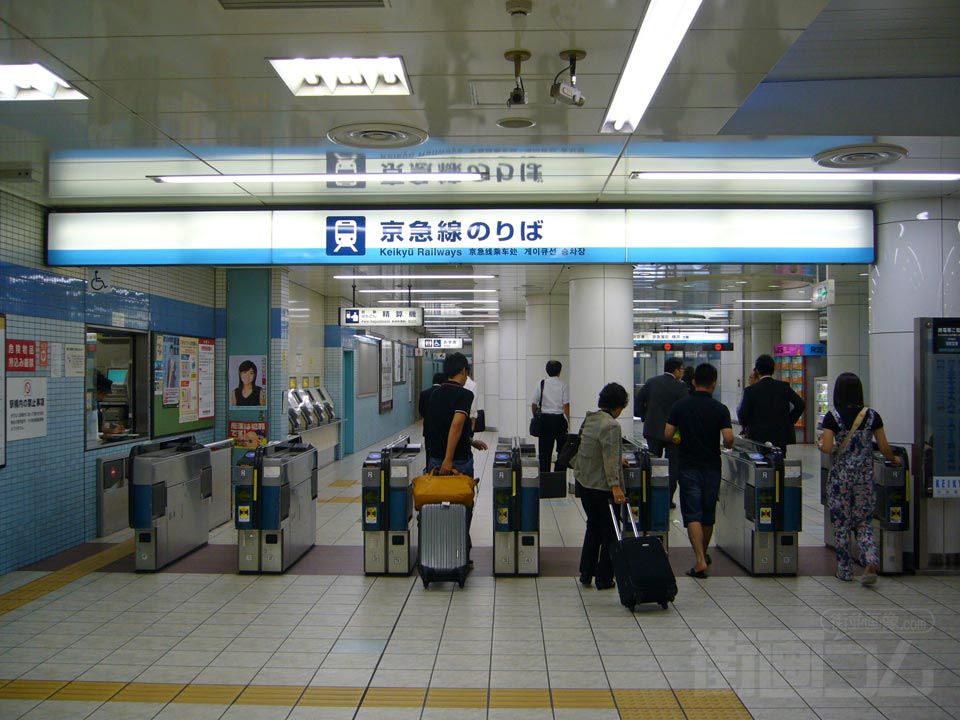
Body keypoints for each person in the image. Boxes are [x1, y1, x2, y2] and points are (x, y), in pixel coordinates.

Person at [819, 372, 901, 584]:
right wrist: (894, 460)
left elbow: (827, 448)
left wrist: (820, 444)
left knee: (841, 524)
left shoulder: (832, 417)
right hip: (864, 478)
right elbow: (883, 447)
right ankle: (870, 561)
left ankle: (845, 571)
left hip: (840, 479)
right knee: (863, 522)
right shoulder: (872, 416)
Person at [664, 363, 735, 579]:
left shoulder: (681, 406)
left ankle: (700, 560)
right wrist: (725, 445)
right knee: (707, 513)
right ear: (714, 383)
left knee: (692, 513)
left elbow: (668, 434)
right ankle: (704, 553)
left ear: (693, 382)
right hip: (712, 465)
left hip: (688, 465)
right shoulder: (720, 409)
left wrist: (679, 438)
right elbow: (729, 438)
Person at [425, 353, 489, 562]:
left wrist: (470, 441)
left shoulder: (435, 394)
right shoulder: (464, 395)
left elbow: (439, 428)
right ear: (462, 371)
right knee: (463, 505)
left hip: (435, 459)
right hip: (457, 461)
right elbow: (456, 425)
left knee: (439, 506)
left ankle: (439, 550)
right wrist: (449, 459)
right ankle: (461, 551)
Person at [574, 382, 628, 590]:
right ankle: (605, 577)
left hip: (585, 482)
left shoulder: (591, 418)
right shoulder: (612, 425)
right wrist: (616, 487)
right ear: (618, 405)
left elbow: (600, 450)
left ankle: (586, 572)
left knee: (594, 526)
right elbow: (608, 457)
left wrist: (618, 458)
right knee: (611, 532)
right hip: (602, 488)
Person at [636, 356, 687, 508]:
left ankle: (650, 495)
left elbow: (638, 401)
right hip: (673, 434)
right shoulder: (680, 387)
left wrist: (644, 416)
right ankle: (668, 498)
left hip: (652, 431)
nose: (682, 373)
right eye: (682, 369)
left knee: (652, 463)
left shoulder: (651, 382)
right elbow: (685, 409)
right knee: (673, 467)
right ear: (677, 370)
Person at [737, 353, 804, 456]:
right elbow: (800, 404)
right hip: (780, 435)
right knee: (778, 462)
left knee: (760, 465)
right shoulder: (783, 387)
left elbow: (743, 413)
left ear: (757, 371)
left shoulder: (750, 391)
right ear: (773, 370)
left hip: (757, 436)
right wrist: (789, 420)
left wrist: (746, 426)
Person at [530, 360, 571, 472]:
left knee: (544, 453)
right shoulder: (564, 385)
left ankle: (545, 480)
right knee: (562, 452)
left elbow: (534, 403)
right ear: (559, 371)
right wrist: (570, 421)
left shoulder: (541, 383)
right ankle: (558, 476)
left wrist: (536, 415)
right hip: (559, 421)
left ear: (547, 371)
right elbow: (566, 405)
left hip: (545, 421)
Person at [419, 372, 446, 457]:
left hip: (428, 428)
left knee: (429, 452)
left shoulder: (424, 394)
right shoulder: (444, 394)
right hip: (442, 430)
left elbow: (421, 411)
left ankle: (428, 468)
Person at [95, 372, 125, 437]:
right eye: (104, 394)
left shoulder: (96, 404)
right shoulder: (89, 406)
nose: (104, 397)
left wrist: (113, 431)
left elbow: (99, 428)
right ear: (99, 391)